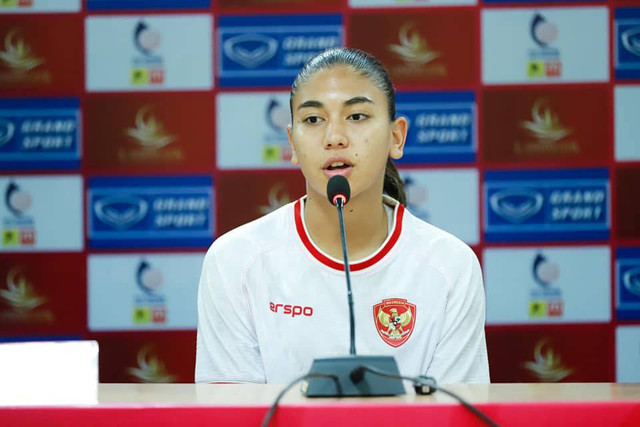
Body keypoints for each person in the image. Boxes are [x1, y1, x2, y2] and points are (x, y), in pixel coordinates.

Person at [195, 47, 489, 384]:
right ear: (292, 143)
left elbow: (456, 414)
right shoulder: (235, 261)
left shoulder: (450, 267)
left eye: (357, 116)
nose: (334, 138)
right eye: (313, 120)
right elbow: (232, 414)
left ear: (396, 137)